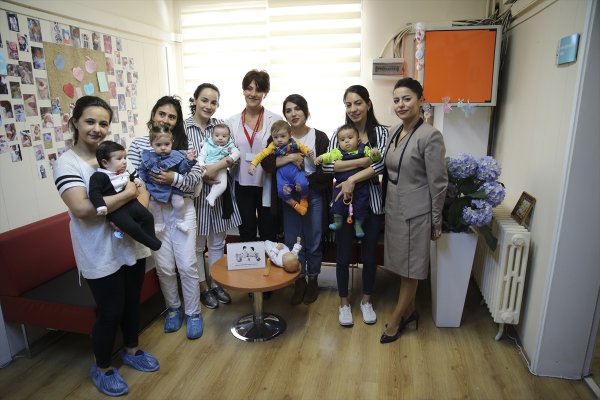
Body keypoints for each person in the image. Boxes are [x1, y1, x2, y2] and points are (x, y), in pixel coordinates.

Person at [54, 96, 159, 397]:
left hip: (130, 244)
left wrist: (132, 202)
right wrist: (127, 195)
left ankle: (132, 349)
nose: (97, 128)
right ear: (74, 122)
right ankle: (102, 367)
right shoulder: (67, 163)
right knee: (110, 310)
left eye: (103, 123)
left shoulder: (113, 155)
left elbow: (143, 192)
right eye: (90, 121)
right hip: (98, 251)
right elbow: (83, 209)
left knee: (131, 302)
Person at [128, 96, 204, 340]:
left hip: (183, 208)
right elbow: (133, 177)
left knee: (187, 264)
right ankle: (173, 309)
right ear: (153, 115)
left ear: (178, 121)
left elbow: (196, 178)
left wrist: (173, 179)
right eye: (162, 114)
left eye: (172, 116)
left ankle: (193, 312)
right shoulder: (139, 144)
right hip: (154, 211)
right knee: (164, 266)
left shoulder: (185, 144)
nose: (167, 120)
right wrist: (151, 195)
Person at [380, 78, 448, 343]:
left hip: (416, 210)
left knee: (411, 268)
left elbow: (439, 182)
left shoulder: (430, 135)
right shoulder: (396, 131)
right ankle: (410, 311)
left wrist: (436, 220)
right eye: (396, 100)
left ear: (420, 99)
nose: (401, 104)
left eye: (407, 98)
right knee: (401, 264)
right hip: (394, 205)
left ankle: (396, 320)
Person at [322, 85, 388, 327]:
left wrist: (350, 179)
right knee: (342, 256)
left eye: (358, 103)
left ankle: (367, 301)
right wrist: (363, 163)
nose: (353, 109)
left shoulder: (381, 133)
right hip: (342, 203)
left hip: (370, 204)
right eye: (348, 104)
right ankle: (344, 303)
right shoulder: (338, 133)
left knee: (370, 256)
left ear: (368, 104)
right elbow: (327, 167)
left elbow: (381, 167)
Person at [260, 94, 332, 305]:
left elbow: (327, 170)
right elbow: (266, 163)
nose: (293, 113)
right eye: (289, 110)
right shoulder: (278, 135)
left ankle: (313, 280)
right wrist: (290, 158)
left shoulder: (319, 137)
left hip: (314, 194)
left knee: (314, 239)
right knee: (292, 241)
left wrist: (306, 185)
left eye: (297, 109)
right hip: (288, 196)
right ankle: (297, 281)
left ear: (306, 111)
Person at [184, 83, 240, 309]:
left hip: (221, 193)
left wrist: (216, 167)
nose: (209, 106)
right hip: (196, 194)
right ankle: (203, 288)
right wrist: (204, 174)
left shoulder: (220, 125)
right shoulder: (184, 127)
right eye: (204, 100)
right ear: (195, 100)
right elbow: (182, 160)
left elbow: (233, 153)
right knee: (197, 246)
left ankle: (217, 284)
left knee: (217, 242)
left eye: (214, 102)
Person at [227, 70, 282, 243]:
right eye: (249, 88)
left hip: (266, 181)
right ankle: (248, 269)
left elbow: (281, 150)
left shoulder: (275, 120)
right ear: (243, 90)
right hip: (241, 182)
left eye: (258, 90)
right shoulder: (232, 122)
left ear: (265, 93)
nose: (253, 94)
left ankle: (270, 269)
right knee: (246, 230)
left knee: (268, 231)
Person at [88, 140, 161, 251]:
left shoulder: (123, 171)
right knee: (131, 227)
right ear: (105, 163)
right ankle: (151, 243)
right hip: (116, 211)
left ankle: (151, 238)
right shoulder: (99, 176)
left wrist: (135, 180)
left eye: (125, 158)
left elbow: (131, 178)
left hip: (131, 203)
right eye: (119, 159)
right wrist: (101, 206)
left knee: (148, 217)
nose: (124, 162)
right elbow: (94, 193)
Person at [315, 124, 381, 238]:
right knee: (338, 203)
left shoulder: (364, 149)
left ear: (358, 140)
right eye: (342, 140)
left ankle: (358, 225)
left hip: (361, 185)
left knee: (361, 205)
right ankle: (337, 221)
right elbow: (328, 157)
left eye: (350, 138)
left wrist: (375, 154)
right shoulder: (338, 152)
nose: (346, 141)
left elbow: (374, 160)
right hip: (341, 185)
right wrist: (321, 158)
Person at [138, 125, 197, 232]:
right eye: (158, 145)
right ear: (151, 144)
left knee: (179, 203)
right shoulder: (148, 157)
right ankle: (159, 222)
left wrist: (189, 161)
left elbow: (183, 169)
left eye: (167, 144)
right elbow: (142, 170)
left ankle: (180, 221)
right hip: (155, 188)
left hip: (173, 188)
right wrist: (141, 181)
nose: (163, 148)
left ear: (172, 142)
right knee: (153, 205)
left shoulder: (176, 155)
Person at [248, 120, 314, 215]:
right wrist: (253, 164)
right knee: (281, 192)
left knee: (303, 183)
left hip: (296, 172)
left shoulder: (294, 142)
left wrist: (308, 151)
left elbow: (303, 147)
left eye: (283, 136)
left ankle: (304, 199)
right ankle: (294, 204)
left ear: (289, 135)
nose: (279, 139)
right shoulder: (272, 146)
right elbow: (261, 155)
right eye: (275, 137)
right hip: (282, 176)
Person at [197, 123, 240, 207]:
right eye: (217, 135)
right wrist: (201, 164)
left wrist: (231, 158)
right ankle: (196, 192)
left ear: (228, 137)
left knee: (223, 185)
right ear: (212, 136)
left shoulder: (229, 146)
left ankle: (212, 196)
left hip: (221, 170)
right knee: (198, 179)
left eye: (224, 136)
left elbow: (237, 153)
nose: (220, 138)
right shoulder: (208, 144)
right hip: (207, 167)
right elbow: (201, 155)